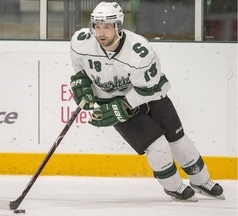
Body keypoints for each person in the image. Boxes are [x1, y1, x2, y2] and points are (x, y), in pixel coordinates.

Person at [69, 2, 224, 201]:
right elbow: (79, 66)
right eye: (97, 26)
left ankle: (201, 180)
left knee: (179, 141)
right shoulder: (81, 42)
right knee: (157, 147)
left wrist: (124, 105)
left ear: (118, 26)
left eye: (107, 26)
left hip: (150, 95)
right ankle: (174, 187)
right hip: (113, 101)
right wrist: (81, 81)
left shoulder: (138, 51)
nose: (101, 32)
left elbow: (148, 88)